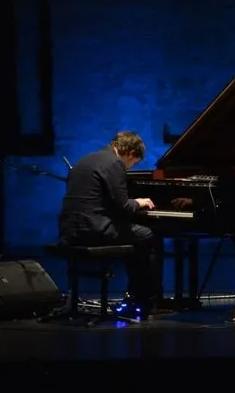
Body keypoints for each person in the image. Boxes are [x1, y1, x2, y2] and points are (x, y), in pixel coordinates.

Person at [57, 131, 160, 314]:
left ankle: (135, 295)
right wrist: (139, 202)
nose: (129, 168)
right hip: (93, 231)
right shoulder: (115, 163)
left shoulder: (86, 160)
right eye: (133, 163)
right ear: (130, 154)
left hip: (69, 230)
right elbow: (123, 206)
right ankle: (144, 300)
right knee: (147, 235)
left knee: (132, 234)